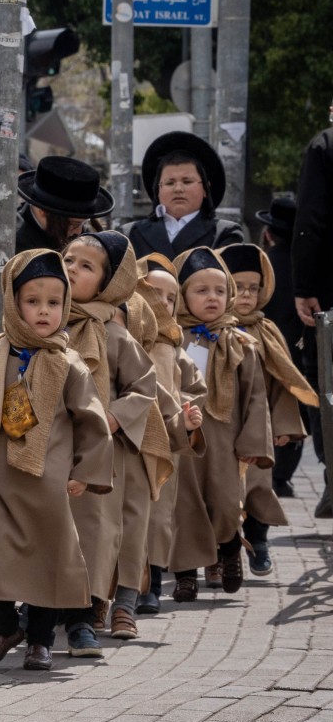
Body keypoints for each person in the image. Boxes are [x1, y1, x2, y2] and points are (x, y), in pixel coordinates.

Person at [0, 252, 114, 673]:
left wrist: (84, 472)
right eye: (33, 301)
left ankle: (40, 639)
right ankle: (5, 624)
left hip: (48, 481)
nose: (44, 311)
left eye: (54, 302)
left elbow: (91, 421)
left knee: (48, 558)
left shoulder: (68, 363)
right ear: (13, 303)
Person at [61, 233, 168, 642]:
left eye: (86, 266)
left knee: (120, 528)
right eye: (68, 259)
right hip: (69, 448)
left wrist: (113, 418)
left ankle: (123, 603)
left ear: (108, 282)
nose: (72, 269)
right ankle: (77, 603)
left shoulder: (113, 333)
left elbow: (144, 386)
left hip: (116, 448)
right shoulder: (48, 323)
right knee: (80, 527)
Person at [166, 249, 272, 600]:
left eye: (219, 291)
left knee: (226, 503)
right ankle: (185, 574)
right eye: (201, 291)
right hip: (184, 439)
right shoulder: (171, 339)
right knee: (184, 506)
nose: (212, 298)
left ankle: (229, 550)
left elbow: (256, 396)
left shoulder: (240, 343)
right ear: (183, 295)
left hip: (226, 442)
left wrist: (254, 443)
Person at [220, 244, 313, 576]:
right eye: (237, 286)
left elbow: (282, 381)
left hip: (258, 426)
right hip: (219, 426)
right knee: (219, 488)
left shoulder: (266, 331)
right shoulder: (209, 329)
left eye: (253, 288)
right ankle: (223, 550)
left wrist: (284, 424)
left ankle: (258, 541)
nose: (246, 295)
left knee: (258, 484)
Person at [133, 258, 205, 613]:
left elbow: (194, 384)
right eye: (151, 293)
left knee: (159, 513)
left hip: (165, 437)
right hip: (126, 437)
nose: (161, 303)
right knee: (126, 514)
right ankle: (125, 584)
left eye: (170, 298)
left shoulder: (172, 345)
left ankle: (153, 581)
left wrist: (188, 407)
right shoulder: (122, 336)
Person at [256, 196, 312, 497]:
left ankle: (264, 469)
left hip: (263, 349)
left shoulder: (260, 269)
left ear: (268, 233)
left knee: (261, 407)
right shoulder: (308, 270)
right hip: (299, 353)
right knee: (297, 413)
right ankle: (283, 476)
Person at [125, 131, 245, 257]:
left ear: (205, 188)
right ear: (157, 190)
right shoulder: (131, 234)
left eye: (187, 182)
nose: (178, 189)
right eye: (169, 183)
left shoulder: (224, 234)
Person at [295, 123, 333, 517]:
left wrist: (303, 285)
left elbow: (312, 219)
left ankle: (332, 477)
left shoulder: (325, 145)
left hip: (330, 292)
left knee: (325, 382)